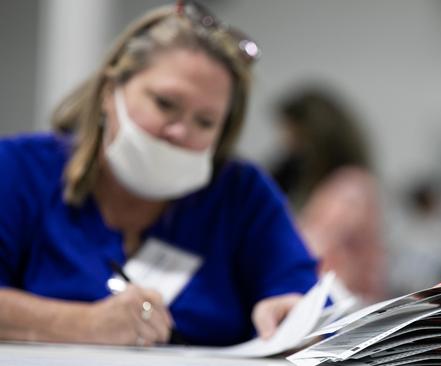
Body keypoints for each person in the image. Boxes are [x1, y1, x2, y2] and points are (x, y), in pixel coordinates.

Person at [0, 1, 318, 347]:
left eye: (205, 122)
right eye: (165, 104)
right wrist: (84, 324)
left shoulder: (241, 195)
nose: (180, 132)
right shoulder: (20, 170)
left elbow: (305, 297)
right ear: (110, 92)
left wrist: (295, 316)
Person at [269, 88, 385, 304]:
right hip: (337, 306)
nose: (286, 145)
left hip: (343, 313)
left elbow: (309, 249)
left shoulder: (350, 187)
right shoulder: (337, 185)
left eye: (294, 136)